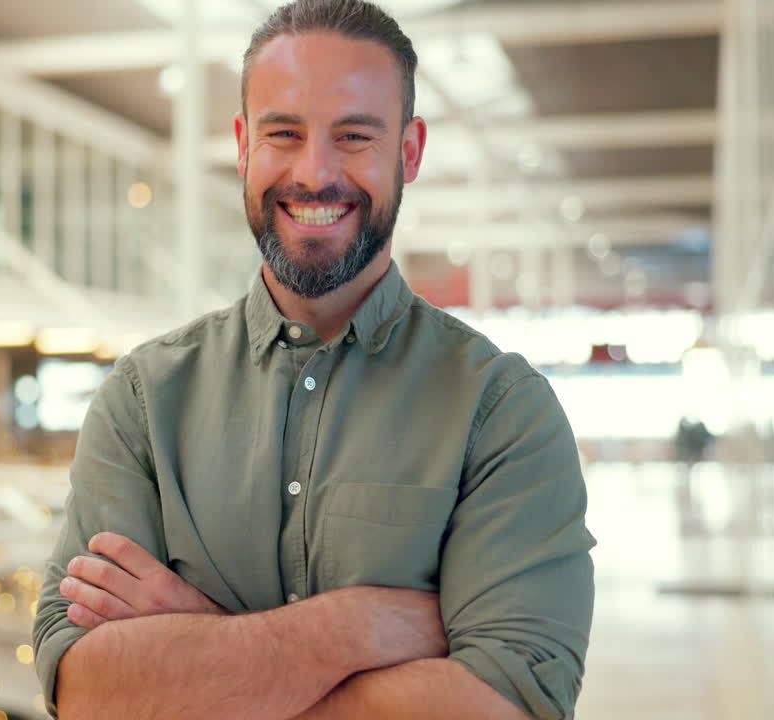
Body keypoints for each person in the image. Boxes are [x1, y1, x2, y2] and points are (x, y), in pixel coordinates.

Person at [32, 1, 596, 717]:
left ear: (409, 152)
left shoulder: (501, 412)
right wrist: (356, 626)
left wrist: (200, 648)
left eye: (355, 135)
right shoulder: (143, 402)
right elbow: (88, 689)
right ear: (242, 146)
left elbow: (506, 707)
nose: (315, 172)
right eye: (283, 134)